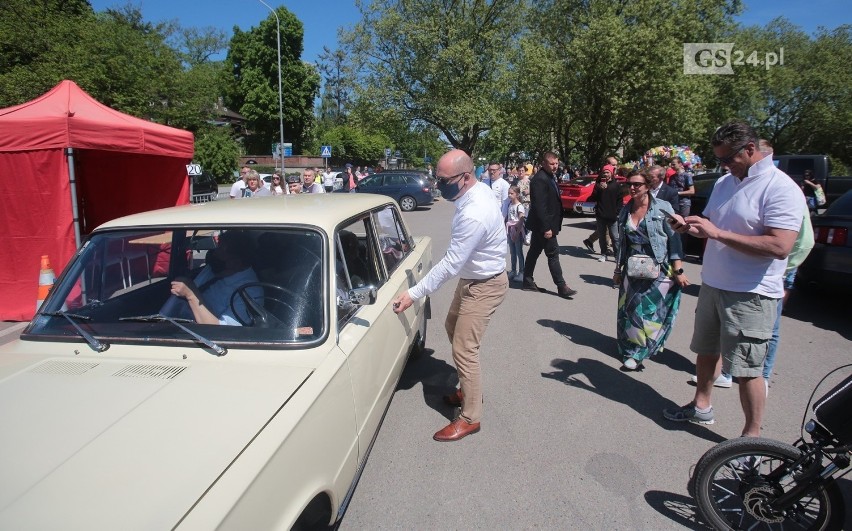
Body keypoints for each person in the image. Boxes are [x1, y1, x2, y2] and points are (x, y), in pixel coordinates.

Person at [663, 120, 803, 437]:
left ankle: (751, 439)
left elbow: (780, 246)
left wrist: (717, 233)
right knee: (706, 351)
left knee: (747, 370)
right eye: (720, 160)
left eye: (728, 158)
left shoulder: (780, 188)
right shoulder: (727, 182)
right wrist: (691, 226)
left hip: (751, 294)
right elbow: (712, 223)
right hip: (713, 285)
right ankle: (701, 407)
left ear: (750, 150)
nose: (724, 165)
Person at [391, 149, 508, 442]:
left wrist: (414, 293)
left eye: (442, 179)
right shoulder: (474, 192)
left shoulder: (474, 212)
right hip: (474, 279)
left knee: (465, 349)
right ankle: (468, 390)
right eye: (436, 176)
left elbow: (451, 263)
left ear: (465, 177)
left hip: (484, 285)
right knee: (452, 328)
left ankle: (470, 417)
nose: (437, 183)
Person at [613, 171, 689, 370]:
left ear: (647, 186)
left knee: (650, 312)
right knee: (630, 310)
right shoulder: (625, 210)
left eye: (637, 184)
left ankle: (639, 353)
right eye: (630, 184)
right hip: (633, 266)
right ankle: (632, 347)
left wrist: (678, 270)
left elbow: (674, 240)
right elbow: (622, 243)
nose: (632, 188)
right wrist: (618, 269)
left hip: (659, 266)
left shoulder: (663, 208)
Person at [163, 230, 262, 325]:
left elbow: (223, 333)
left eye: (221, 251)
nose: (214, 254)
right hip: (174, 323)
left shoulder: (250, 292)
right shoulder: (214, 270)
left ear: (236, 261)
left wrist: (191, 295)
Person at [523, 152, 578, 298]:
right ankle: (561, 286)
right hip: (544, 225)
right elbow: (540, 206)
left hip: (544, 224)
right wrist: (547, 227)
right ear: (544, 163)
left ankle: (527, 280)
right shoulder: (539, 179)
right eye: (552, 164)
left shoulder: (549, 177)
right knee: (553, 254)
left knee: (534, 252)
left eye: (556, 163)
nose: (555, 166)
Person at [588, 164, 624, 262]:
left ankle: (617, 256)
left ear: (611, 173)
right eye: (604, 172)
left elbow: (620, 201)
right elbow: (593, 198)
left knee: (615, 237)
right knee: (602, 237)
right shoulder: (598, 184)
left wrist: (617, 212)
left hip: (612, 216)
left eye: (607, 172)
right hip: (601, 215)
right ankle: (603, 254)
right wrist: (600, 189)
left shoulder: (616, 185)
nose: (605, 174)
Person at [506, 186, 525, 281]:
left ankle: (522, 272)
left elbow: (521, 221)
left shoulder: (519, 206)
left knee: (519, 252)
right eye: (508, 193)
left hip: (517, 231)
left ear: (517, 194)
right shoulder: (510, 204)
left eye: (511, 193)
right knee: (512, 252)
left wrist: (517, 233)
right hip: (510, 230)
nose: (509, 195)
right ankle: (513, 270)